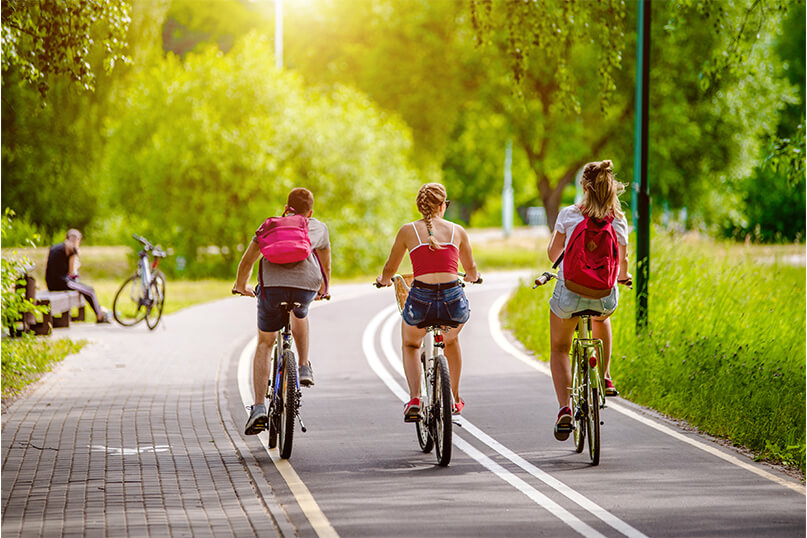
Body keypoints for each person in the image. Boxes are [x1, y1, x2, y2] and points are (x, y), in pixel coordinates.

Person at [376, 183, 481, 422]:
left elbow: (389, 269)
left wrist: (382, 280)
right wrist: (474, 278)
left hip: (421, 299)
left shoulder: (407, 231)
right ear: (443, 205)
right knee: (451, 340)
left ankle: (414, 398)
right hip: (452, 299)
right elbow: (471, 270)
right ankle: (454, 397)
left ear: (420, 206)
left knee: (411, 345)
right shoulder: (458, 231)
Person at [233, 188, 331, 435]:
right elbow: (325, 260)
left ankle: (258, 408)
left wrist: (240, 286)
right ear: (310, 211)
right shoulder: (317, 227)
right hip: (305, 287)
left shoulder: (270, 226)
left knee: (265, 343)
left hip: (273, 289)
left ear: (286, 206)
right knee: (301, 312)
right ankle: (304, 364)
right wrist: (324, 288)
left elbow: (248, 260)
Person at [546, 160, 631, 441]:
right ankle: (604, 375)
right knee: (601, 317)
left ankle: (565, 409)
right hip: (604, 297)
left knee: (559, 348)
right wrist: (624, 277)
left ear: (583, 186)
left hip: (569, 293)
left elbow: (553, 254)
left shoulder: (569, 214)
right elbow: (623, 262)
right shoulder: (617, 219)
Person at [45, 229, 110, 323]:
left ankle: (100, 312)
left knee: (85, 289)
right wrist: (75, 257)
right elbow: (72, 273)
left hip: (52, 282)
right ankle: (100, 315)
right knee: (90, 291)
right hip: (61, 282)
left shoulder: (57, 247)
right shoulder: (71, 250)